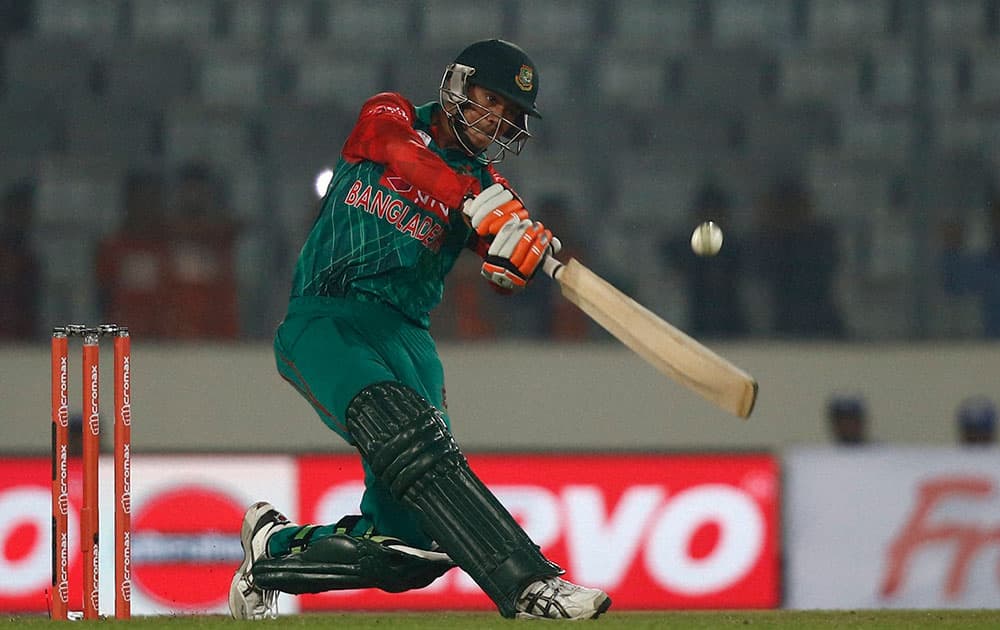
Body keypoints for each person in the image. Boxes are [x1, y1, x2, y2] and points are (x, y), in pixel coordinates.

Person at [229, 40, 611, 621]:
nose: (498, 121)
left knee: (411, 552)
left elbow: (501, 254)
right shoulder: (391, 115)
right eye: (491, 101)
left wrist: (520, 253)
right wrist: (471, 199)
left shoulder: (493, 191)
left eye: (511, 115)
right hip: (328, 318)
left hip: (407, 341)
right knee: (406, 434)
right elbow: (395, 152)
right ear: (456, 84)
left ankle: (269, 553)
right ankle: (533, 585)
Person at [752, 176, 845, 338]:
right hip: (780, 330)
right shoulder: (768, 244)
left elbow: (834, 278)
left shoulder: (821, 241)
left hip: (823, 327)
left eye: (795, 208)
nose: (791, 215)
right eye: (785, 209)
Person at [661, 180, 749, 338]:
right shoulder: (681, 251)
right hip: (692, 329)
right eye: (706, 212)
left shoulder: (739, 252)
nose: (712, 217)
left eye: (716, 212)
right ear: (696, 214)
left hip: (736, 330)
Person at [940, 196, 1000, 338]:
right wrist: (951, 248)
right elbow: (952, 286)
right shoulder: (984, 266)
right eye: (997, 221)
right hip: (989, 348)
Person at [0, 180, 39, 339]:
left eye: (24, 213)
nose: (20, 219)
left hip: (21, 344)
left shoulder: (30, 262)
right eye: (15, 212)